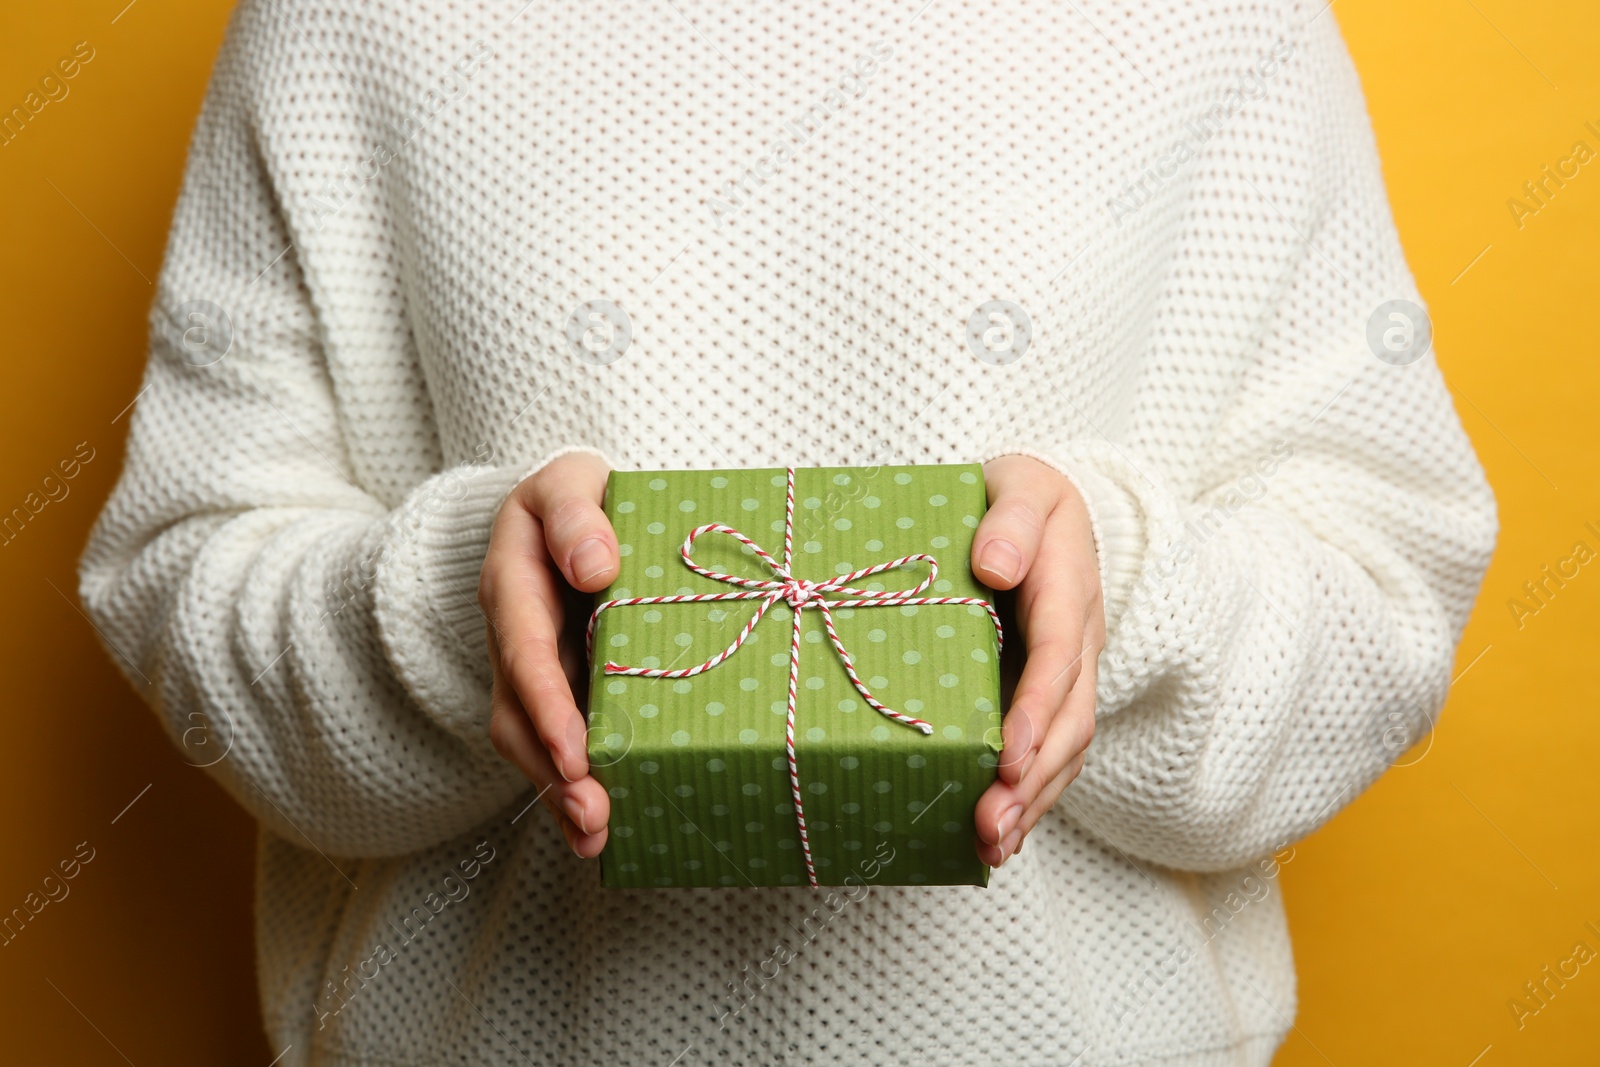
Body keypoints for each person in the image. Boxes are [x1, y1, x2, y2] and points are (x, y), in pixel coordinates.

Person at [78, 1, 1496, 1064]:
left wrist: (1117, 604)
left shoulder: (1225, 22)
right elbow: (180, 569)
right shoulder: (345, 21)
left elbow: (1384, 581)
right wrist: (462, 614)